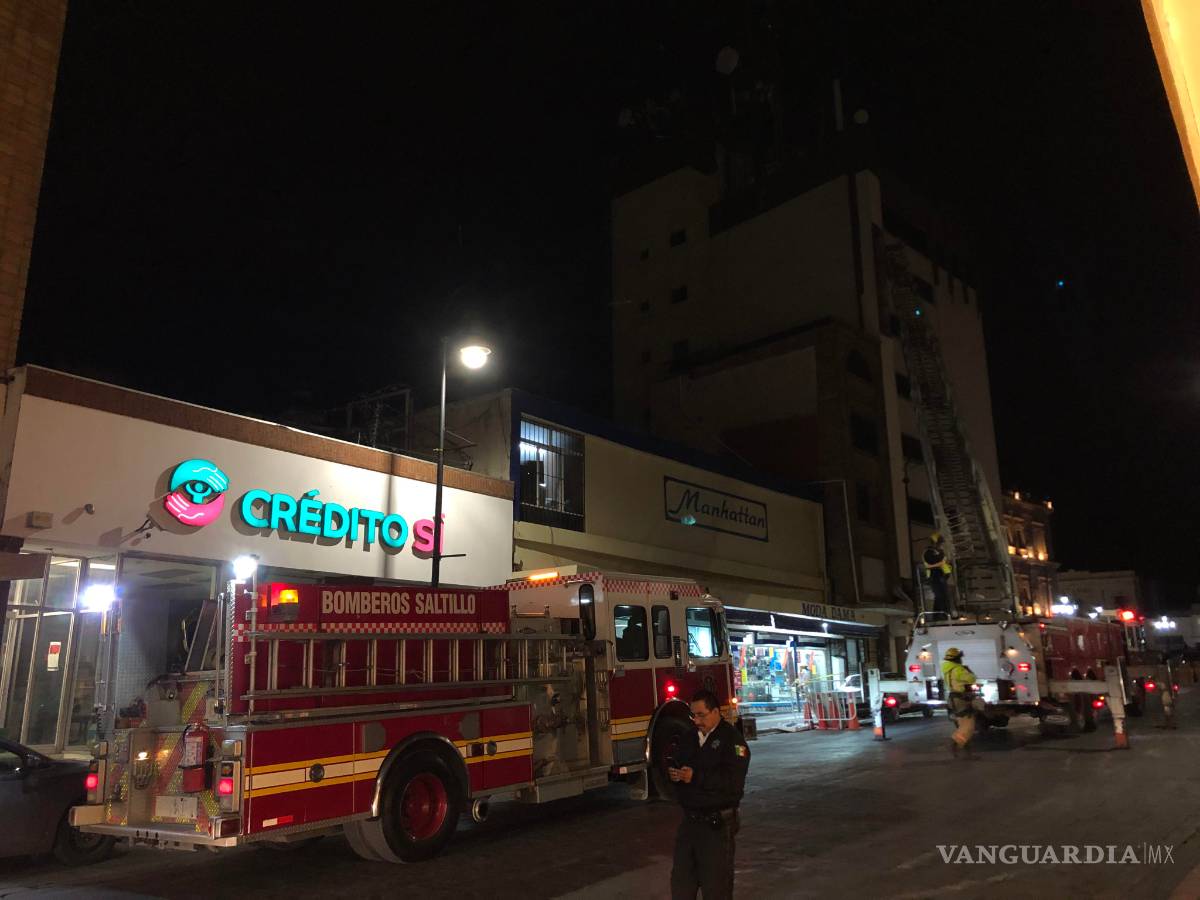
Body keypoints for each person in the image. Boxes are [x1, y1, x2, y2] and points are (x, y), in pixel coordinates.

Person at [668, 689, 751, 900]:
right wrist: (675, 775)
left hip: (717, 825)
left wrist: (696, 777)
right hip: (690, 823)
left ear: (715, 712)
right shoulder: (688, 738)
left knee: (716, 886)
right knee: (681, 883)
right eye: (693, 715)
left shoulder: (733, 741)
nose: (696, 720)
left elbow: (732, 783)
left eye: (701, 715)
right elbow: (678, 763)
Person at [941, 647, 978, 759]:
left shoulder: (947, 668)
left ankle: (967, 752)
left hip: (953, 699)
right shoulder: (958, 669)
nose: (961, 659)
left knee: (963, 725)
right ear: (957, 658)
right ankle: (954, 743)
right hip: (960, 700)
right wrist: (969, 671)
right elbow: (972, 679)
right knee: (968, 726)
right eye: (960, 657)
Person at [922, 532, 954, 615]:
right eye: (940, 543)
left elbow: (942, 563)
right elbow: (934, 560)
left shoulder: (935, 552)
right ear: (935, 543)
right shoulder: (928, 552)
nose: (941, 545)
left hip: (940, 576)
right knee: (940, 597)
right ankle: (941, 615)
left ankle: (942, 614)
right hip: (935, 577)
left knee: (942, 597)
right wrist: (942, 555)